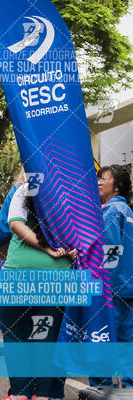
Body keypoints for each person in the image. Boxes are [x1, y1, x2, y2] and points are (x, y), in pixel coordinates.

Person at [1, 184, 77, 400]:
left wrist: (47, 248)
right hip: (58, 277)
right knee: (48, 337)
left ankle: (19, 394)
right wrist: (70, 250)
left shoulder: (23, 188)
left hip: (19, 273)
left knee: (16, 335)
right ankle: (43, 395)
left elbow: (15, 224)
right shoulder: (74, 190)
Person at [88, 165, 133, 388]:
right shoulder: (129, 212)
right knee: (126, 343)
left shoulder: (111, 212)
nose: (97, 183)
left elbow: (110, 252)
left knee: (100, 340)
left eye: (103, 180)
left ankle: (100, 389)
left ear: (118, 188)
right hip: (127, 288)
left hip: (111, 289)